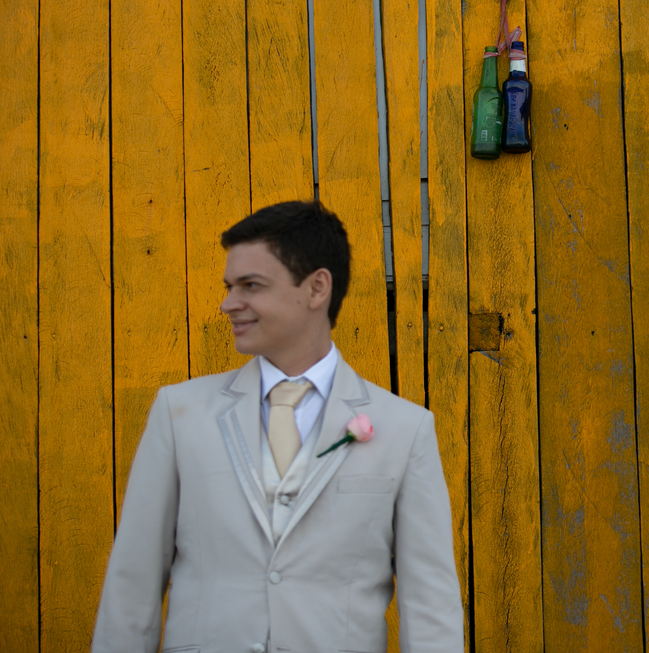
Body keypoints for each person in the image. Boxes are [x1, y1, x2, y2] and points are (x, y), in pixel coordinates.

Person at [92, 201, 463, 653]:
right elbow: (132, 583)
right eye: (229, 287)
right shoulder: (180, 412)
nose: (228, 304)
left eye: (251, 285)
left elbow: (431, 606)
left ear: (316, 288)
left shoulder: (405, 428)